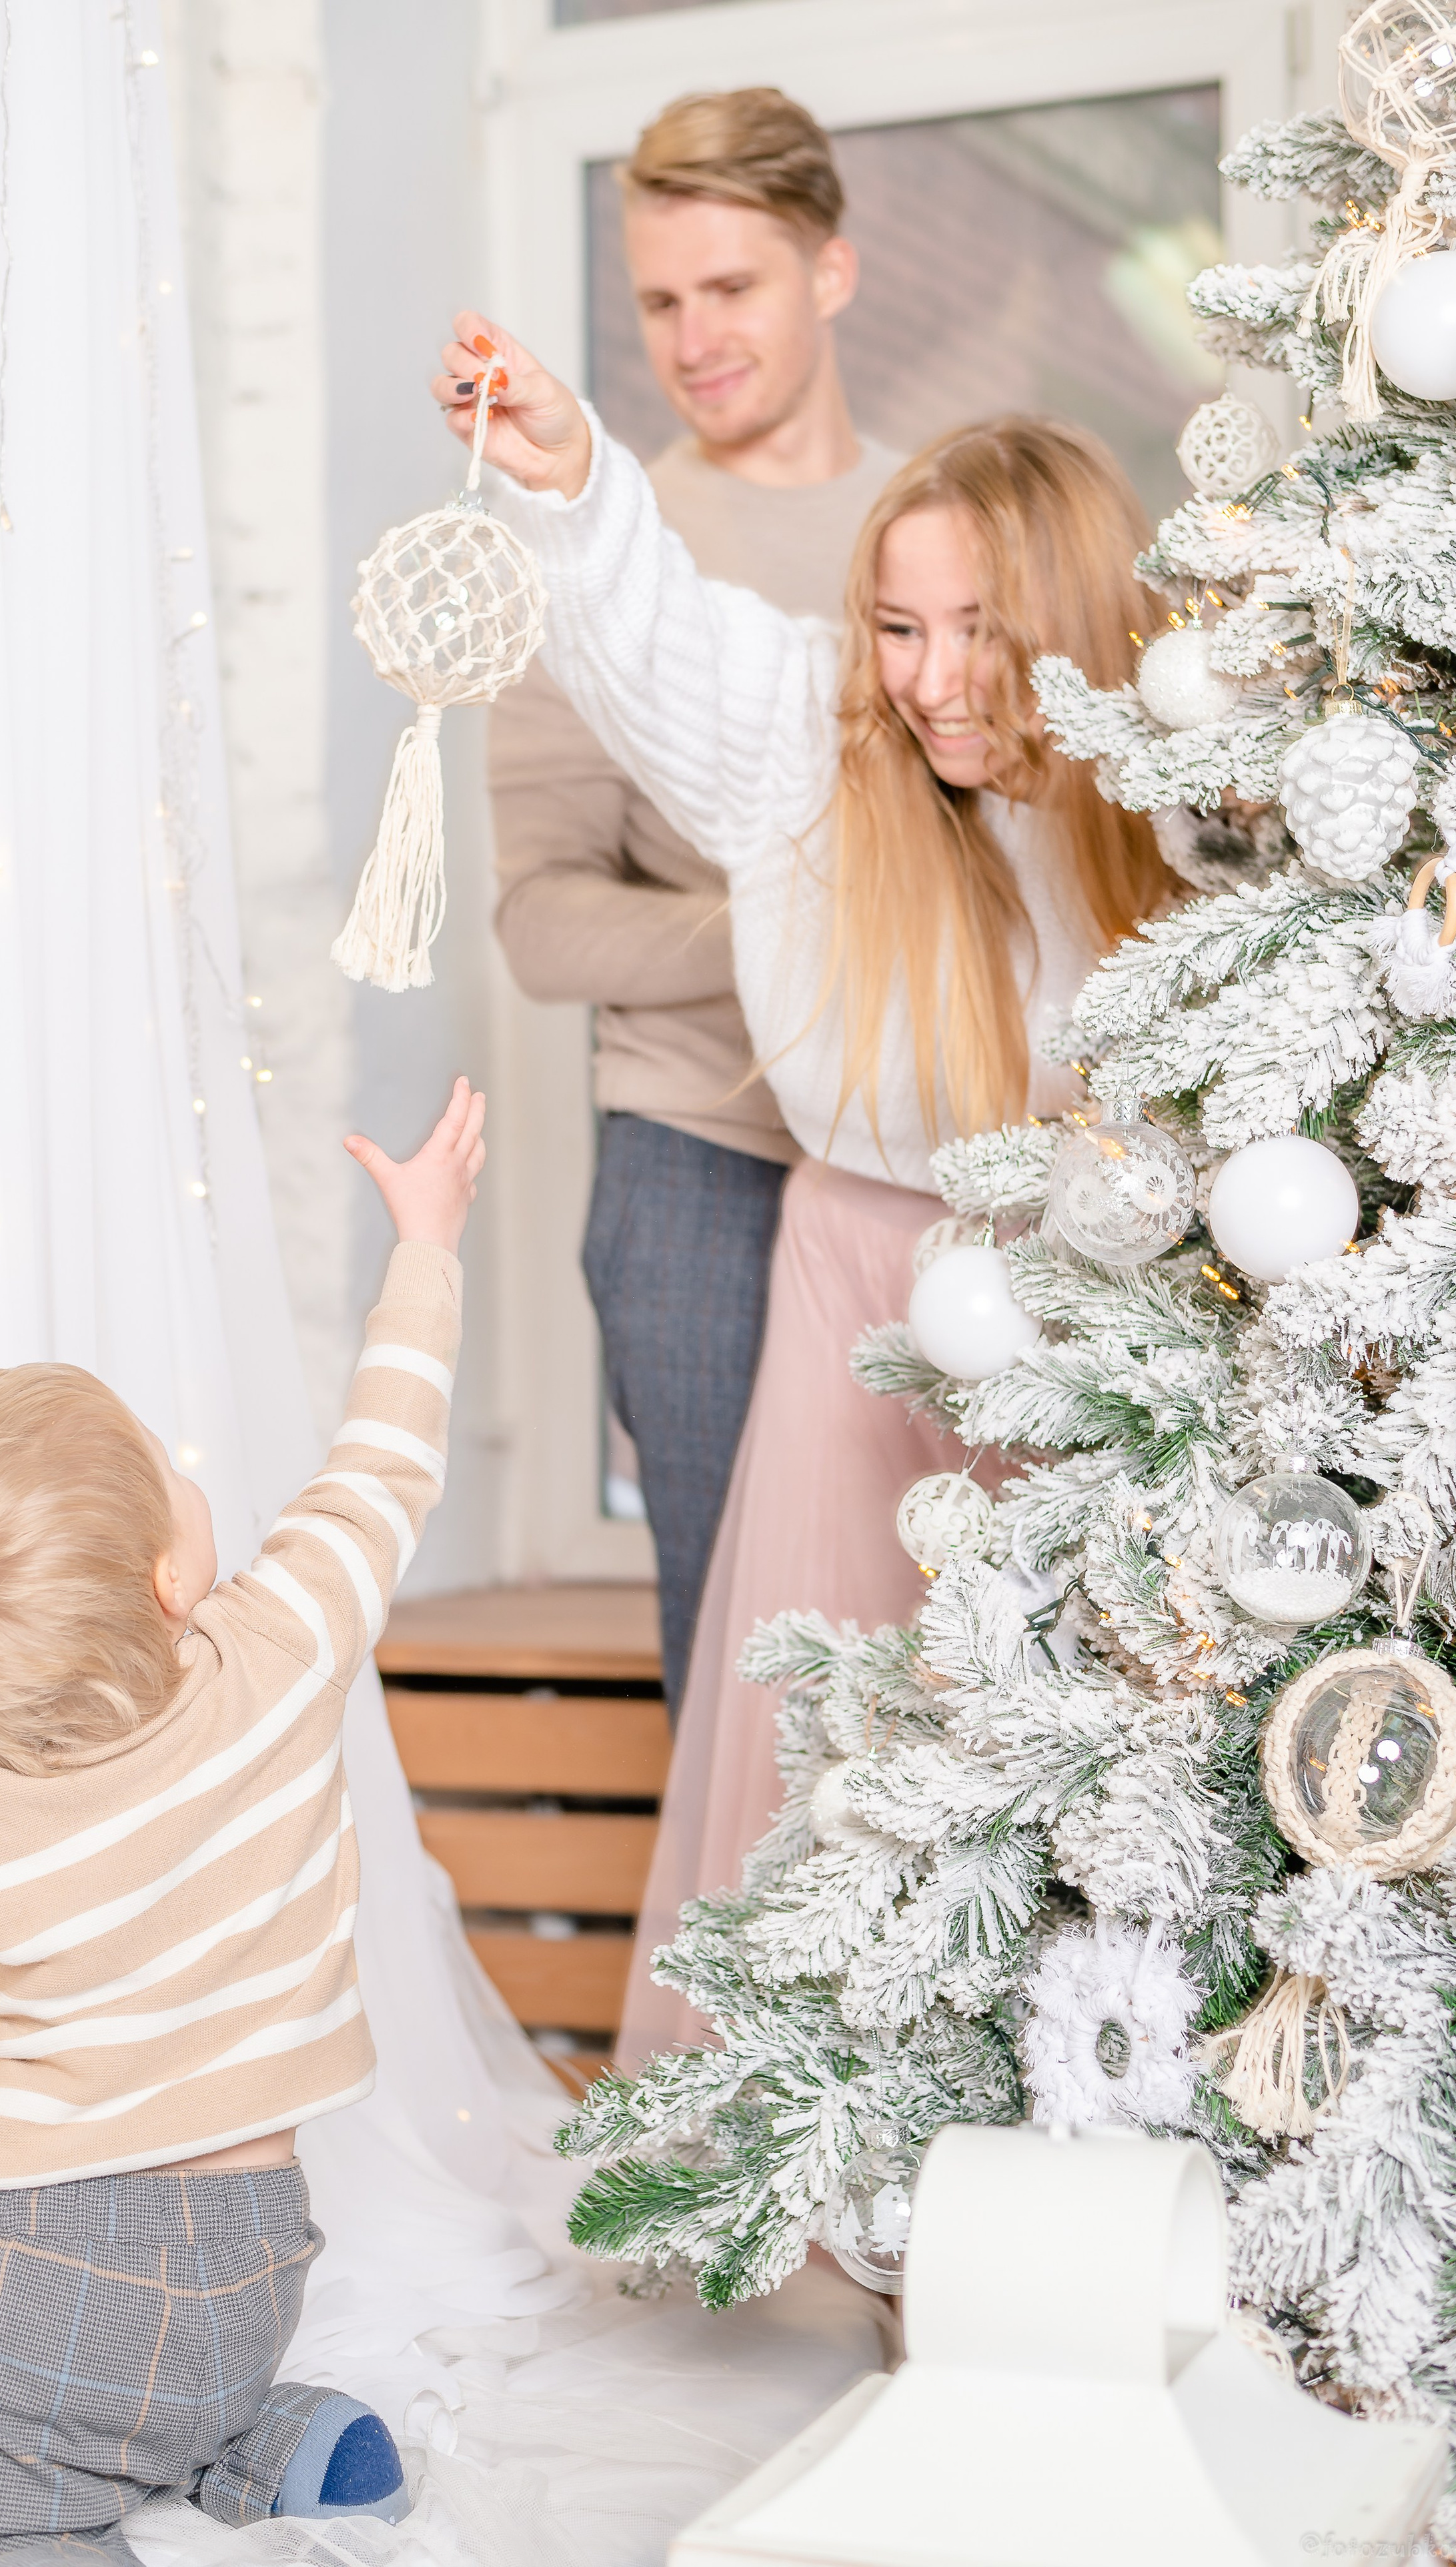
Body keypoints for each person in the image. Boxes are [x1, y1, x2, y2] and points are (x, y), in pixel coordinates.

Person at [434, 322, 1174, 2066]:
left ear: (1068, 624)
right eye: (898, 628)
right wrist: (573, 475)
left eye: (977, 629)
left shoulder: (1167, 789)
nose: (927, 679)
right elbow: (657, 638)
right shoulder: (811, 753)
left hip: (1092, 1310)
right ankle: (814, 2159)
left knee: (1077, 1727)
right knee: (823, 1730)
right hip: (855, 1287)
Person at [0, 1082, 486, 2564]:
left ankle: (48, 2521)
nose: (194, 1476)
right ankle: (257, 2433)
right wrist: (424, 1244)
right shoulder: (280, 1645)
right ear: (170, 1580)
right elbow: (387, 1457)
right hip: (259, 2250)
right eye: (165, 1472)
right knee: (166, 2391)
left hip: (34, 2271)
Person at [489, 89, 898, 1718]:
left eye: (730, 288)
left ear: (833, 274)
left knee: (948, 1628)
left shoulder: (932, 531)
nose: (690, 338)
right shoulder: (588, 556)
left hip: (921, 1151)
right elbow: (539, 922)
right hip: (695, 1168)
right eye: (658, 301)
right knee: (732, 1647)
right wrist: (799, 927)